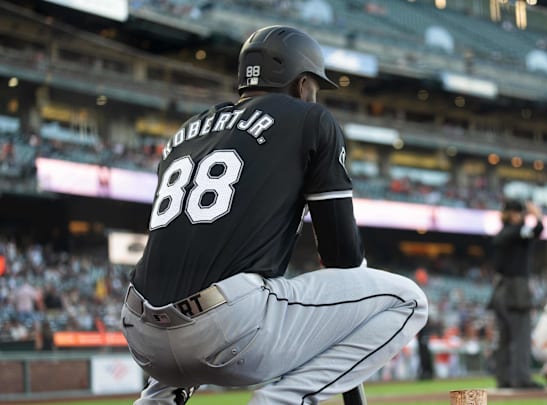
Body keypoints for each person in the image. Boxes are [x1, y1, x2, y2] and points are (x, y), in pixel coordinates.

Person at [121, 25, 428, 405]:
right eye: (315, 87)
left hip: (143, 335)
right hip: (227, 330)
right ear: (301, 84)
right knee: (408, 300)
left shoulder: (188, 131)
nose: (315, 97)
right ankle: (279, 401)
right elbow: (342, 258)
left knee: (200, 285)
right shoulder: (309, 118)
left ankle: (154, 401)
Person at [487, 199, 544, 389]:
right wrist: (537, 216)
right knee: (521, 335)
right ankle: (521, 379)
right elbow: (536, 231)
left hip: (500, 289)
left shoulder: (503, 232)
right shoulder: (515, 231)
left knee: (505, 337)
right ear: (515, 214)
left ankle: (504, 379)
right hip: (515, 289)